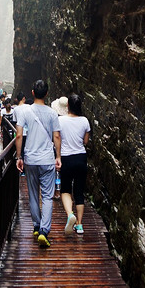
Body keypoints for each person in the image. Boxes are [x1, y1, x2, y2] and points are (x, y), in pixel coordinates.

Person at [15, 80, 61, 248]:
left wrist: (19, 157)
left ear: (33, 92)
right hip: (47, 159)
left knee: (33, 194)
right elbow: (56, 136)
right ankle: (43, 231)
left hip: (31, 159)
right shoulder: (52, 113)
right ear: (46, 94)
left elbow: (19, 135)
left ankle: (36, 225)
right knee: (47, 196)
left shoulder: (25, 112)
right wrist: (58, 156)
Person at [58, 93, 90, 236]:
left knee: (65, 190)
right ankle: (80, 225)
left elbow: (57, 138)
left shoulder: (61, 120)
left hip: (66, 158)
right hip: (81, 158)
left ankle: (70, 214)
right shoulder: (85, 121)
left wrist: (57, 156)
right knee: (79, 192)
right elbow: (85, 142)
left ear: (68, 106)